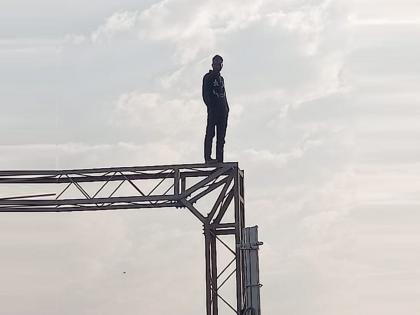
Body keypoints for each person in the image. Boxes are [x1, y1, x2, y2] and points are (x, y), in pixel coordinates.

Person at [202, 55, 229, 163]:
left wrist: (227, 108)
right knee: (210, 133)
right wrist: (211, 106)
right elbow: (205, 94)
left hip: (223, 111)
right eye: (216, 63)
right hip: (213, 110)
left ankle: (219, 159)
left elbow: (223, 93)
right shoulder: (208, 77)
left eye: (220, 63)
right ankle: (208, 158)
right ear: (212, 64)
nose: (218, 65)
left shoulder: (221, 79)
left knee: (221, 137)